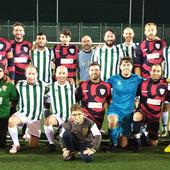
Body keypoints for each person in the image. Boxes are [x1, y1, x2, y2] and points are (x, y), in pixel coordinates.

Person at [134, 22, 168, 137]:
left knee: (164, 103)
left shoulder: (162, 44)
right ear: (144, 32)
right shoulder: (141, 46)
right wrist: (140, 80)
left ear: (156, 31)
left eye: (152, 30)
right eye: (148, 30)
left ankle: (163, 128)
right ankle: (140, 129)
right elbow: (137, 65)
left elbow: (166, 60)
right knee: (143, 105)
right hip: (145, 81)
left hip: (160, 81)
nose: (150, 32)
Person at [8, 65, 48, 154]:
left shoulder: (43, 84)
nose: (31, 76)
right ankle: (16, 144)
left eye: (33, 73)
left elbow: (55, 87)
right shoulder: (19, 85)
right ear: (25, 74)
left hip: (35, 118)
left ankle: (27, 131)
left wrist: (68, 80)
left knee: (33, 145)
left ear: (37, 74)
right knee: (11, 121)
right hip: (23, 114)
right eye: (29, 73)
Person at [107, 57, 144, 149]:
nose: (126, 67)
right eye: (124, 65)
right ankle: (113, 143)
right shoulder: (113, 79)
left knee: (123, 145)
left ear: (131, 67)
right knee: (112, 122)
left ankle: (121, 135)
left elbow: (150, 83)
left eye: (128, 65)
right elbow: (102, 86)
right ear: (120, 66)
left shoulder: (137, 79)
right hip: (115, 109)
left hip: (128, 112)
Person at [133, 64, 168, 152]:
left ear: (161, 73)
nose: (156, 73)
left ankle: (145, 134)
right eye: (154, 71)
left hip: (155, 117)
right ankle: (137, 141)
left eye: (158, 71)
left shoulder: (165, 85)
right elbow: (135, 98)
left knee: (153, 143)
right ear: (150, 72)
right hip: (143, 111)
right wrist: (135, 109)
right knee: (137, 116)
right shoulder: (143, 84)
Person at [44, 65, 76, 152]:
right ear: (56, 74)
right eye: (59, 73)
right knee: (47, 121)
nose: (61, 75)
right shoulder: (51, 87)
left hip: (71, 117)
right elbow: (43, 98)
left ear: (67, 74)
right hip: (57, 116)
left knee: (70, 142)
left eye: (63, 73)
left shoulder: (73, 85)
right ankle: (51, 143)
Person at [76, 62, 111, 130]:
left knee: (93, 137)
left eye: (96, 70)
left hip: (98, 119)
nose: (94, 72)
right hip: (85, 117)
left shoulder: (106, 86)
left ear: (100, 72)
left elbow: (110, 101)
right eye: (92, 70)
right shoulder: (83, 85)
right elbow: (74, 100)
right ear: (89, 72)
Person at [9, 22, 32, 116]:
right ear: (13, 32)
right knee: (13, 102)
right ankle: (10, 125)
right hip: (13, 76)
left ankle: (25, 128)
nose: (18, 32)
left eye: (20, 30)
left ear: (24, 32)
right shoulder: (9, 44)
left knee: (25, 101)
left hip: (25, 76)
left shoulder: (28, 45)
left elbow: (31, 60)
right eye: (16, 30)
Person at [31, 32, 54, 118]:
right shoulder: (32, 52)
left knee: (47, 105)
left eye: (43, 38)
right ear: (36, 40)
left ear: (46, 41)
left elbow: (56, 62)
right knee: (34, 106)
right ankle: (31, 129)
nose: (41, 40)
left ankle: (47, 127)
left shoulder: (50, 52)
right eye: (39, 38)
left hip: (48, 83)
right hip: (35, 83)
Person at [0, 63, 18, 148]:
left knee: (1, 144)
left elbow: (14, 98)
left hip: (3, 116)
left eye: (0, 71)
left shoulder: (9, 85)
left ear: (3, 72)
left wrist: (11, 112)